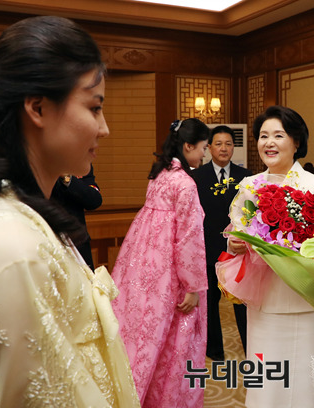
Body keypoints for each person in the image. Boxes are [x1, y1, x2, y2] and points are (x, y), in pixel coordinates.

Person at [0, 16, 140, 408]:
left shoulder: (24, 216)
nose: (103, 128)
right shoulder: (10, 244)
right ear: (37, 107)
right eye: (94, 107)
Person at [227, 105, 314, 408]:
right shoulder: (249, 185)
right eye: (263, 136)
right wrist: (236, 243)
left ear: (296, 142)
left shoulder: (313, 185)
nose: (269, 143)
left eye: (278, 135)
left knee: (301, 385)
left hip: (299, 298)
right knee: (265, 379)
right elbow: (236, 231)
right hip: (262, 300)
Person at [112, 118, 209, 408]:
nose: (204, 154)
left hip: (144, 264)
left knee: (142, 333)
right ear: (188, 146)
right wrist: (193, 286)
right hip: (170, 272)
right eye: (203, 147)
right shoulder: (185, 184)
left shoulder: (159, 175)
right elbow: (189, 238)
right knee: (175, 340)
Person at [193, 125, 251, 361]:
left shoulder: (246, 177)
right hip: (207, 249)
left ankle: (251, 348)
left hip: (237, 251)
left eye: (228, 143)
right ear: (209, 147)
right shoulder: (196, 177)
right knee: (209, 304)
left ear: (233, 147)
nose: (224, 148)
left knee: (242, 302)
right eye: (218, 144)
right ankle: (215, 351)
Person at [51, 164, 102, 269]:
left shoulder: (79, 161)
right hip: (46, 241)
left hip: (77, 243)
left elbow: (94, 200)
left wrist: (67, 178)